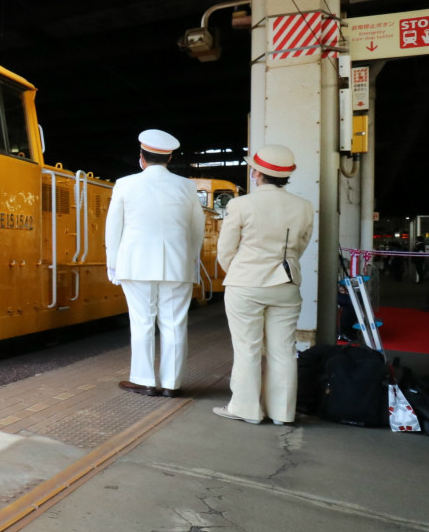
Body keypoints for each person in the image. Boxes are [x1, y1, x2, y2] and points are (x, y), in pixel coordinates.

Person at [213, 144, 314, 425]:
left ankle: (246, 409)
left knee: (247, 348)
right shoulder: (304, 207)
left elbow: (226, 249)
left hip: (246, 284)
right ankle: (282, 412)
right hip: (287, 283)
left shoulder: (241, 205)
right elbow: (300, 246)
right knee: (283, 349)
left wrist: (237, 273)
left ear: (256, 172)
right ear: (287, 175)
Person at [105, 129, 205, 398]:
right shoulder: (187, 187)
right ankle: (172, 384)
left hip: (136, 265)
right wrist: (192, 259)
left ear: (142, 158)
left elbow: (114, 228)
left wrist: (112, 263)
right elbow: (197, 229)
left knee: (142, 322)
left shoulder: (124, 184)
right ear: (169, 158)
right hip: (177, 265)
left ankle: (144, 380)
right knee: (174, 324)